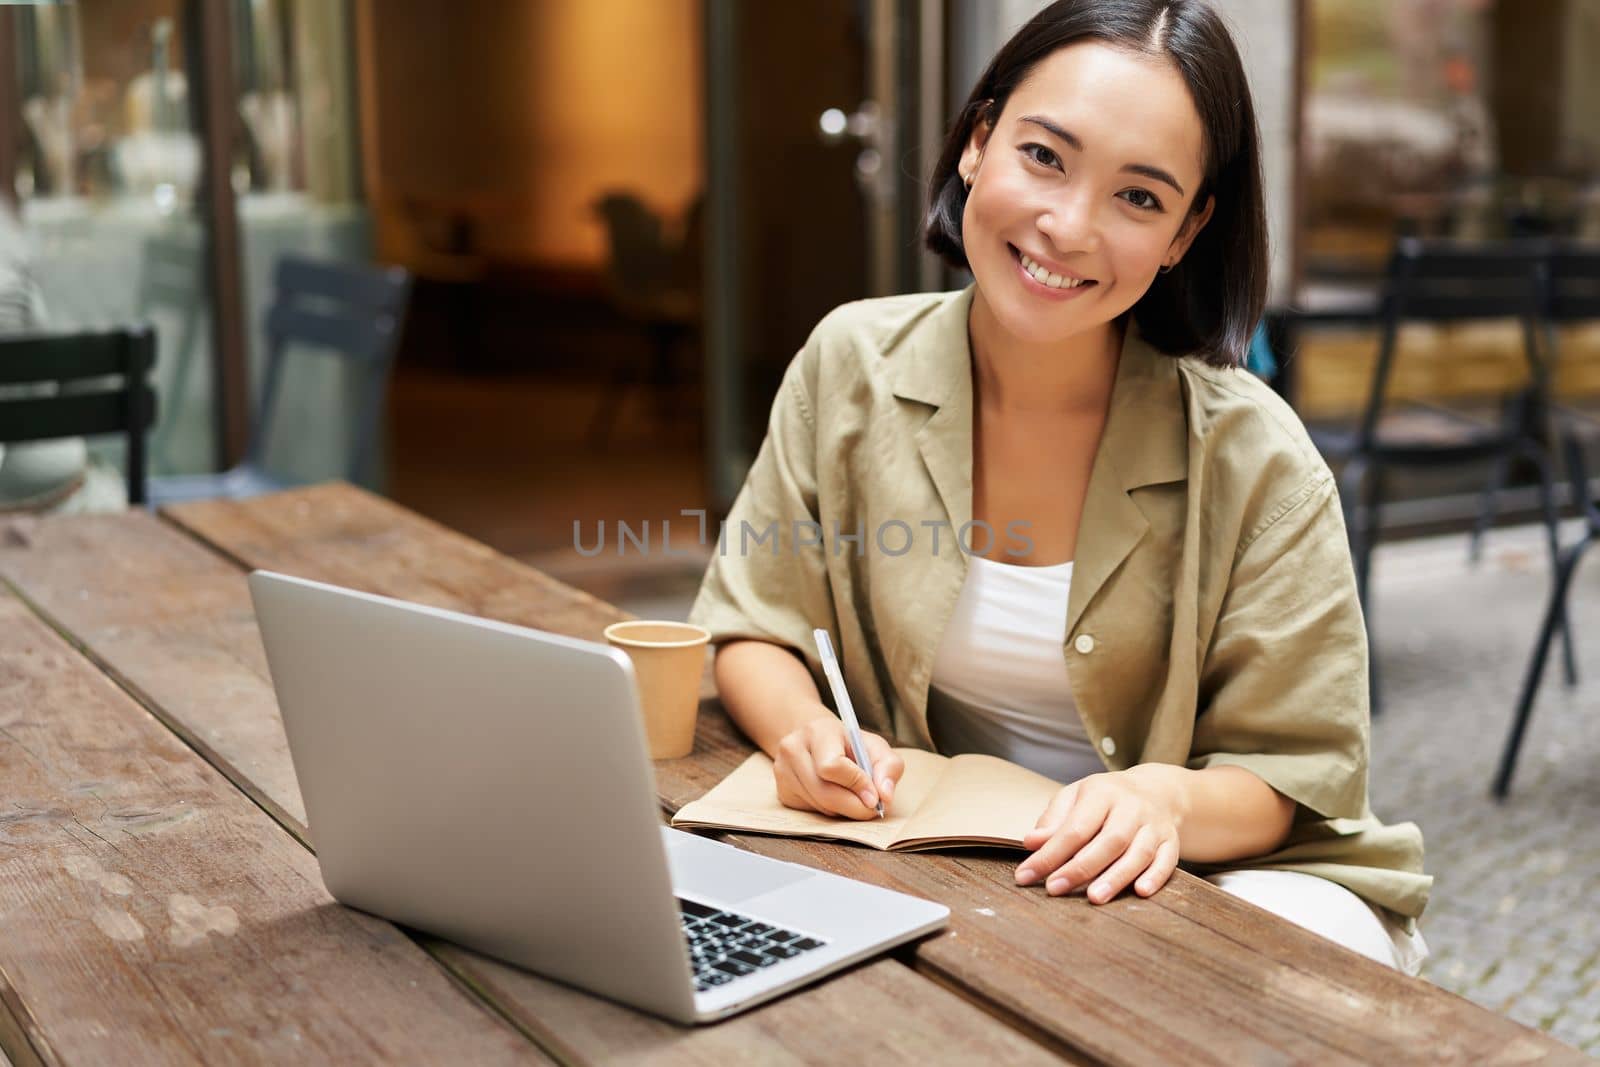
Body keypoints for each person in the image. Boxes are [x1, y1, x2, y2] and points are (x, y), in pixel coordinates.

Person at [687, 0, 1430, 975]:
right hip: (951, 863)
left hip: (1219, 873)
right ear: (977, 141)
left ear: (1184, 232)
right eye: (1043, 156)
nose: (1067, 226)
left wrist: (1161, 797)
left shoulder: (1256, 457)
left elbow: (1288, 772)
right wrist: (805, 732)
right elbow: (755, 620)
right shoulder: (849, 363)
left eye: (1139, 198)